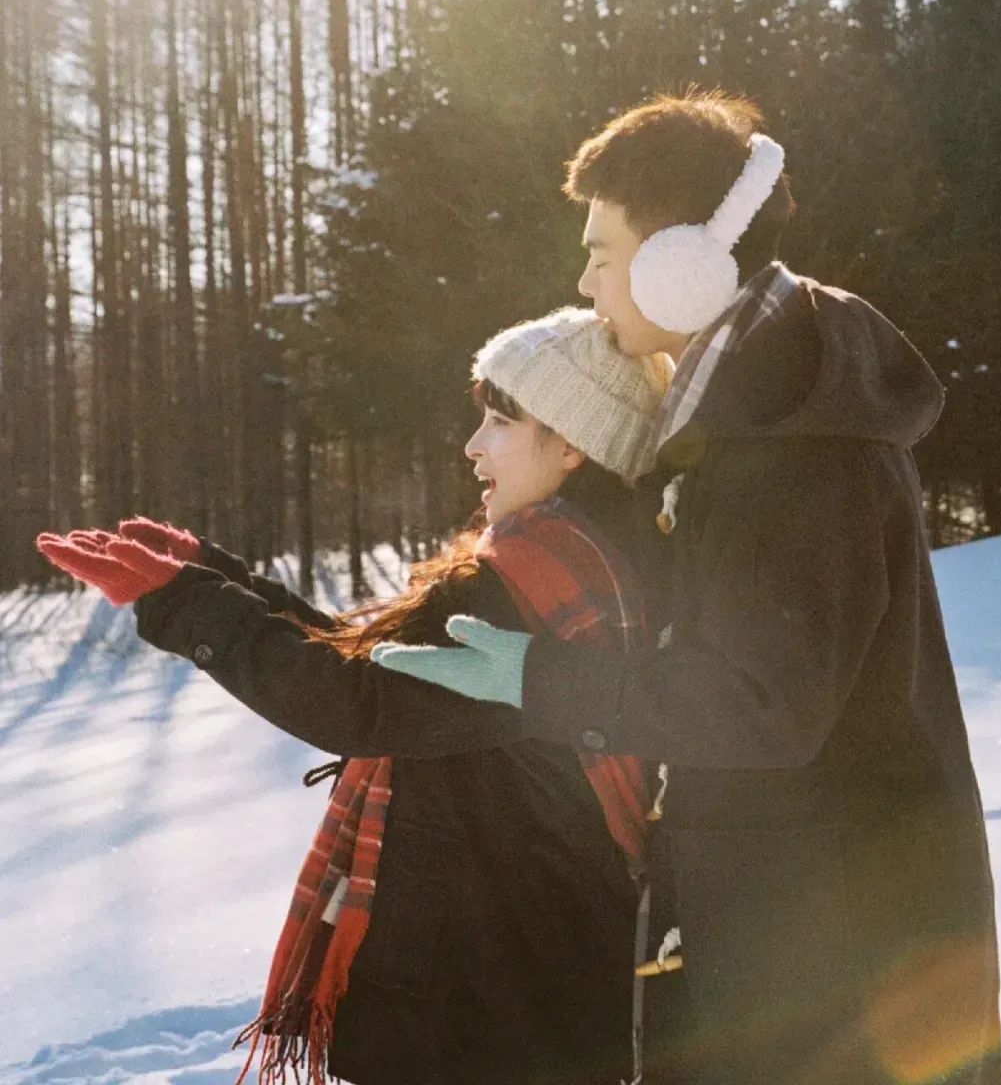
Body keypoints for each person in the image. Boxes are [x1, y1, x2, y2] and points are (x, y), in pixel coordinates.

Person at [375, 90, 1001, 1085]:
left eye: (603, 253)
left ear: (685, 263)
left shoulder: (798, 449)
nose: (584, 282)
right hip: (793, 950)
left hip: (839, 981)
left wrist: (543, 680)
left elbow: (762, 707)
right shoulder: (743, 424)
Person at [36, 307, 673, 1085]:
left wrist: (186, 600)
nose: (474, 446)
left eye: (501, 422)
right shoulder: (576, 561)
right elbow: (380, 671)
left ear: (574, 443)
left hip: (490, 998)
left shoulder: (520, 584)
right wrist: (216, 577)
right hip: (531, 974)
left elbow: (355, 702)